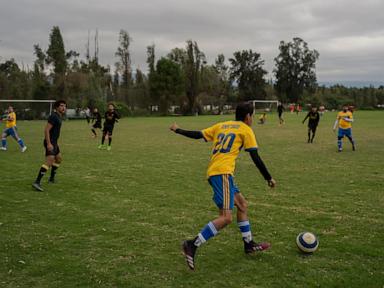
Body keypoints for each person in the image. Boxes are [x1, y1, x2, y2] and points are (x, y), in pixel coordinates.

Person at [170, 102, 276, 271]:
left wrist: (178, 130)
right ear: (248, 116)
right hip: (222, 174)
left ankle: (248, 244)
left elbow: (198, 135)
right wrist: (268, 178)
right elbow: (255, 157)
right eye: (253, 116)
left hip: (217, 172)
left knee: (242, 205)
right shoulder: (246, 130)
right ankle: (192, 244)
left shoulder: (222, 125)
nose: (253, 119)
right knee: (226, 217)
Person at [32, 100, 67, 192]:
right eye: (61, 106)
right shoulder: (53, 116)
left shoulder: (59, 116)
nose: (64, 108)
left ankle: (51, 178)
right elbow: (46, 130)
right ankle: (37, 182)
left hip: (54, 142)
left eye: (65, 106)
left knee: (58, 159)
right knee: (49, 161)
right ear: (56, 107)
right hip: (50, 142)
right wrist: (48, 143)